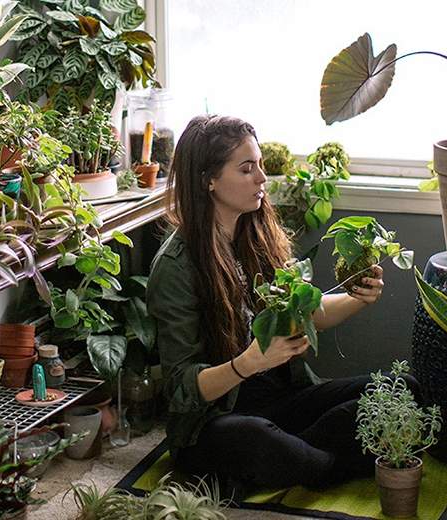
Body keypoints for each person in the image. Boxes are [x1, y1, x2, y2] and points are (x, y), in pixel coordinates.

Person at [146, 114, 415, 493]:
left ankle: (295, 461)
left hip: (283, 400)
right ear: (208, 179)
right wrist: (249, 363)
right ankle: (317, 463)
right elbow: (180, 389)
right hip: (219, 418)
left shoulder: (257, 234)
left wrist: (358, 298)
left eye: (260, 166)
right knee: (253, 436)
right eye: (246, 169)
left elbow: (309, 314)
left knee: (403, 388)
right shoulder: (175, 268)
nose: (261, 179)